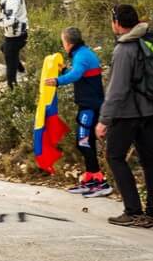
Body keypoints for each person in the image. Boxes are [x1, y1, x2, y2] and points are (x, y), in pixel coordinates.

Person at [95, 5, 153, 228]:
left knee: (114, 157)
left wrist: (104, 120)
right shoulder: (150, 39)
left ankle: (133, 210)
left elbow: (117, 90)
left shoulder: (124, 49)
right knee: (149, 160)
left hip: (128, 114)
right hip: (150, 110)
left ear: (117, 23)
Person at [45, 27, 111, 197]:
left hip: (89, 107)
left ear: (68, 43)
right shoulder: (82, 53)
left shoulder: (81, 55)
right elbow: (78, 73)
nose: (63, 45)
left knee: (83, 142)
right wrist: (62, 71)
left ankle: (99, 181)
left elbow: (76, 75)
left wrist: (57, 81)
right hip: (88, 105)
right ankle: (90, 178)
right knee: (85, 141)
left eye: (63, 42)